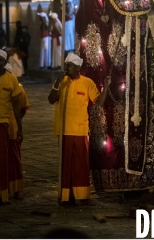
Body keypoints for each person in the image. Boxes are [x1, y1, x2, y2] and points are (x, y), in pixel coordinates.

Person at [48, 53, 111, 205]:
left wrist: (106, 87)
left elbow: (98, 103)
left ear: (77, 68)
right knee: (65, 165)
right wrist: (56, 84)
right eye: (66, 65)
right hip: (64, 129)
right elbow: (51, 100)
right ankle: (66, 196)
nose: (66, 68)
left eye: (69, 65)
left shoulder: (87, 82)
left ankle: (82, 195)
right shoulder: (61, 82)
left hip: (80, 129)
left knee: (80, 164)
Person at [0, 49, 24, 205]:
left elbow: (17, 107)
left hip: (2, 124)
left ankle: (2, 194)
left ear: (4, 63)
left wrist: (20, 128)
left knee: (1, 160)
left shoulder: (11, 80)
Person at [4, 62, 29, 200]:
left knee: (14, 159)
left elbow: (22, 108)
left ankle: (17, 189)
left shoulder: (16, 88)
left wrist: (17, 123)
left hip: (12, 128)